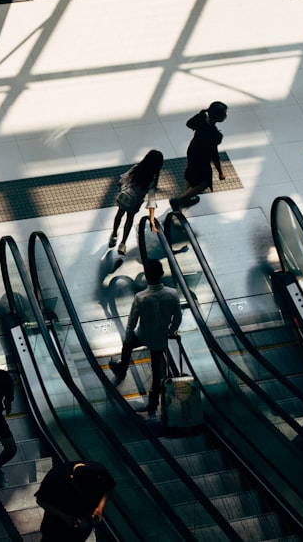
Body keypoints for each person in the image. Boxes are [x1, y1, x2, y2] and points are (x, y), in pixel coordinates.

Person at [108, 258, 182, 416]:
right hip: (159, 339)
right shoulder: (173, 294)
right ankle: (153, 405)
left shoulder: (141, 297)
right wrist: (170, 332)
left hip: (142, 335)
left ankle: (122, 370)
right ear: (161, 274)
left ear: (147, 277)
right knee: (157, 373)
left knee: (127, 347)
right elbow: (178, 319)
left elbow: (131, 322)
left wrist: (128, 337)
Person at [35, 460, 115, 542]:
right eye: (81, 491)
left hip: (83, 524)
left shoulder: (99, 472)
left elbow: (109, 489)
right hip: (56, 524)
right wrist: (64, 517)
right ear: (71, 478)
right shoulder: (55, 477)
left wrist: (100, 507)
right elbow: (41, 500)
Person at [170, 101, 228, 211]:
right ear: (217, 117)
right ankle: (178, 201)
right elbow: (214, 155)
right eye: (224, 114)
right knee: (204, 183)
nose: (226, 116)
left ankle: (185, 199)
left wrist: (200, 115)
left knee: (191, 174)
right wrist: (221, 172)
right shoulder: (213, 134)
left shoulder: (201, 118)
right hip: (202, 159)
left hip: (192, 151)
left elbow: (189, 123)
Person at [109, 149, 164, 257]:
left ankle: (114, 235)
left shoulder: (137, 168)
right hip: (136, 202)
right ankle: (123, 243)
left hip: (125, 198)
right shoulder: (153, 177)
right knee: (129, 219)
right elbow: (151, 195)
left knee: (119, 214)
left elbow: (120, 182)